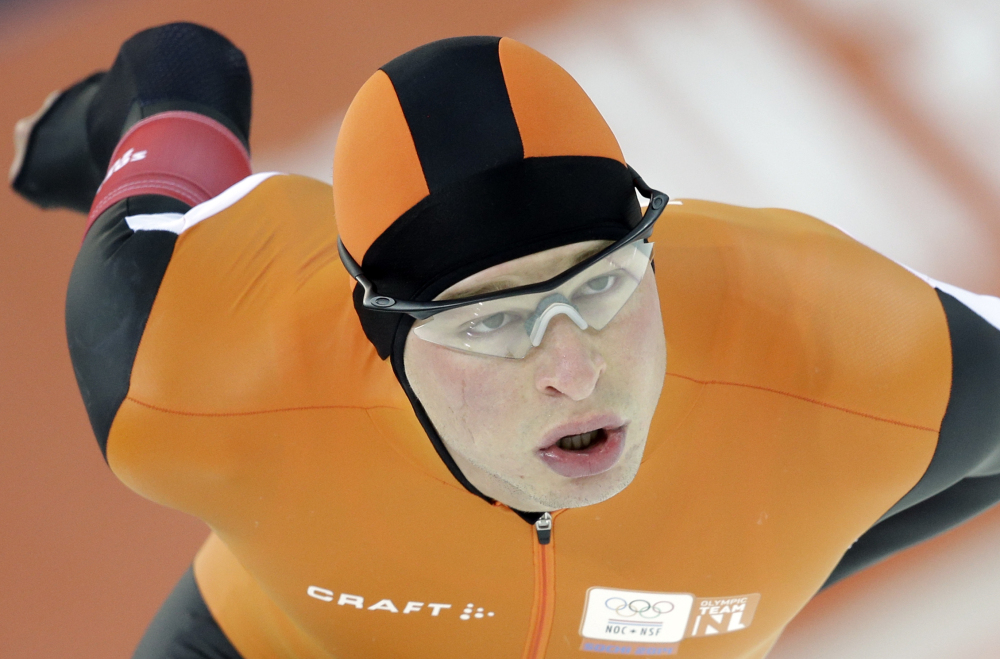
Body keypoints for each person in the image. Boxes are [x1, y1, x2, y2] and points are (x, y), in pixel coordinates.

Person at [11, 22, 1000, 659]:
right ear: (383, 337)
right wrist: (146, 104)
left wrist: (781, 555)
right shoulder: (187, 377)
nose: (573, 368)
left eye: (603, 285)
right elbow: (182, 98)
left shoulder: (843, 350)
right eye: (491, 320)